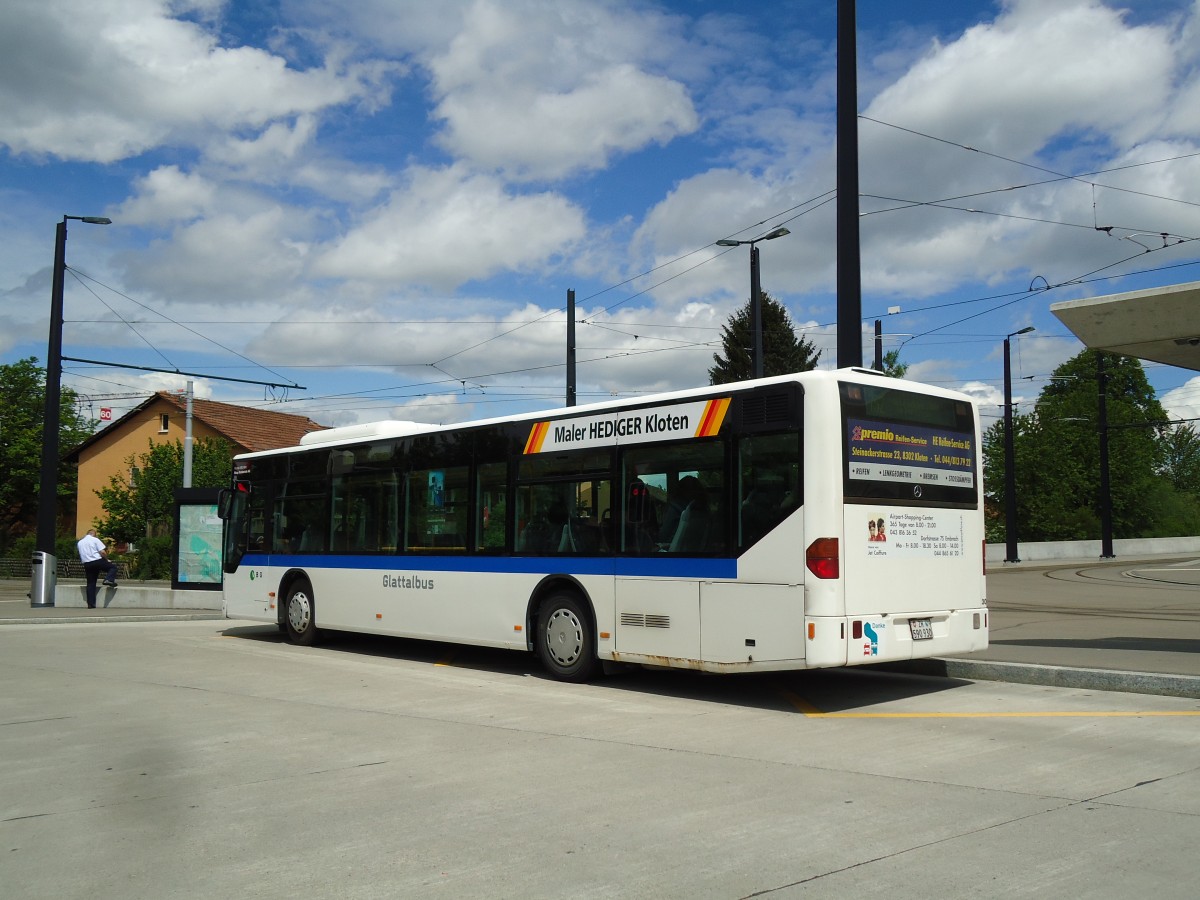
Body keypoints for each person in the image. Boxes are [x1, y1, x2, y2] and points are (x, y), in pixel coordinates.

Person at [77, 528, 118, 608]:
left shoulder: (80, 542)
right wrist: (107, 560)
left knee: (91, 583)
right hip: (96, 560)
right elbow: (102, 552)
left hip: (87, 563)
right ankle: (108, 579)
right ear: (94, 534)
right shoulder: (95, 540)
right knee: (113, 568)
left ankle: (91, 604)